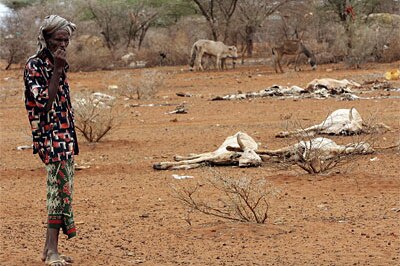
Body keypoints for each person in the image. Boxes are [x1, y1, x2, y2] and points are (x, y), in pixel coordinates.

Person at [24, 15, 79, 266]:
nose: (63, 45)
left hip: (65, 135)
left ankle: (48, 250)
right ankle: (53, 253)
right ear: (46, 39)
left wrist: (59, 66)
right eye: (59, 39)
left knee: (63, 189)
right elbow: (44, 103)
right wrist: (57, 68)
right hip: (50, 137)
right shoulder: (34, 65)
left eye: (66, 40)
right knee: (56, 193)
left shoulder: (58, 62)